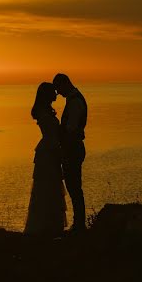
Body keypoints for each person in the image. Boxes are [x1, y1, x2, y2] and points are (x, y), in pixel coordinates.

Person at [24, 82, 67, 237]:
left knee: (51, 187)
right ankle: (45, 226)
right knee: (47, 187)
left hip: (50, 150)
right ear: (47, 94)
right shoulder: (43, 112)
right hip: (48, 151)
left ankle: (50, 225)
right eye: (53, 92)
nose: (56, 94)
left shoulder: (45, 111)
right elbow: (51, 134)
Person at [52, 73, 87, 232]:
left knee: (74, 187)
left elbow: (71, 129)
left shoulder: (74, 103)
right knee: (74, 187)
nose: (58, 93)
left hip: (73, 149)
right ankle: (79, 222)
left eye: (59, 89)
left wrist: (57, 132)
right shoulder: (74, 99)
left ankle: (79, 224)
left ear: (65, 84)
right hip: (73, 148)